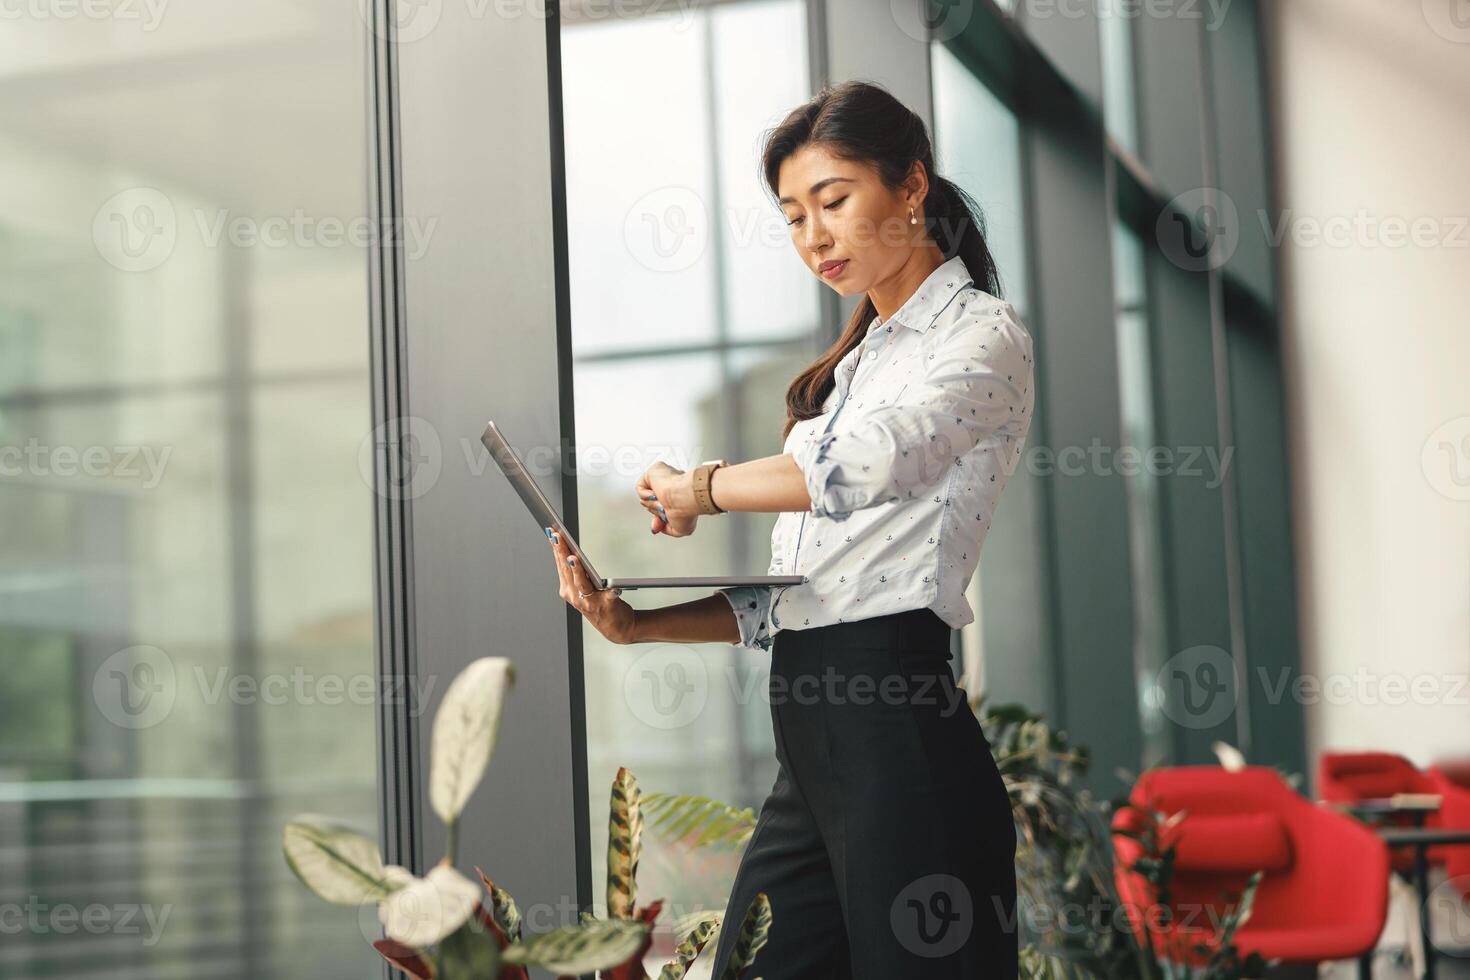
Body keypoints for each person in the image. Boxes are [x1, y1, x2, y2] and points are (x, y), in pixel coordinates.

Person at [544, 79, 1033, 979]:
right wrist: (641, 625)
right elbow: (802, 601)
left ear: (911, 184)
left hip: (899, 738)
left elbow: (878, 465)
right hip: (813, 749)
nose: (814, 235)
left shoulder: (983, 333)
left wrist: (702, 487)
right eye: (793, 215)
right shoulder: (852, 368)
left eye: (835, 201)